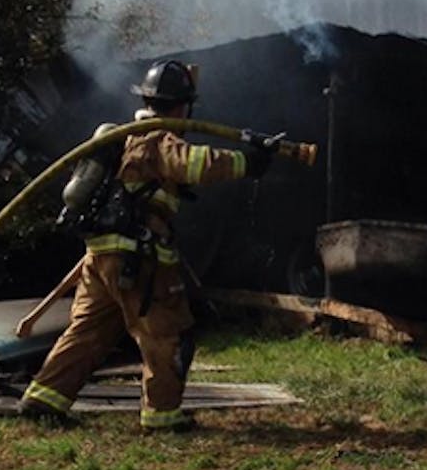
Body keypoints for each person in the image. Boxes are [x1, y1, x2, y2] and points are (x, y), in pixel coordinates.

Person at [16, 59, 272, 432]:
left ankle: (43, 399)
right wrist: (248, 163)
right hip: (138, 260)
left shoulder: (123, 138)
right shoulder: (157, 138)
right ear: (184, 105)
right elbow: (197, 165)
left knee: (87, 332)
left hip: (100, 258)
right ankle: (163, 416)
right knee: (168, 334)